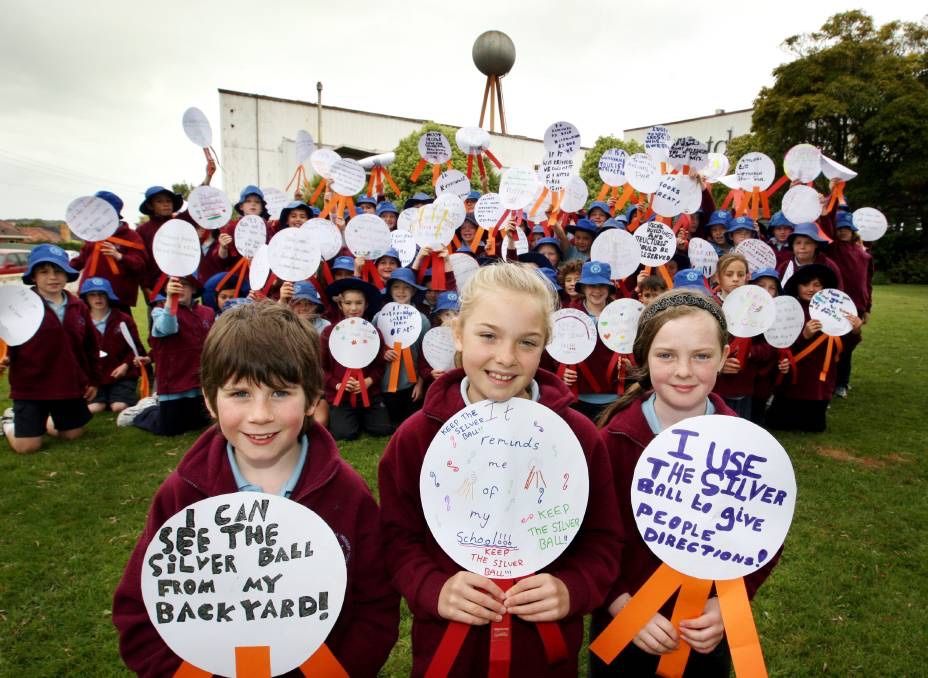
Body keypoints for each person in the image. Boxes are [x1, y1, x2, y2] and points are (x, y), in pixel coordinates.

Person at [112, 301, 400, 677]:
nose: (260, 414)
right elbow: (140, 611)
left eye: (280, 393)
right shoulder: (183, 495)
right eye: (240, 394)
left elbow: (374, 605)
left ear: (313, 398)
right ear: (210, 400)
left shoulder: (345, 492)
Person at [378, 263, 622, 676]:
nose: (506, 358)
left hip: (542, 654)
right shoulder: (416, 438)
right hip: (449, 653)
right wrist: (433, 588)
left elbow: (603, 540)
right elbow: (397, 539)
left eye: (527, 342)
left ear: (546, 344)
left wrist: (572, 588)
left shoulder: (578, 437)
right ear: (457, 332)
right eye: (488, 335)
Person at [591, 290, 780, 676]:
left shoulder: (748, 446)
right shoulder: (613, 442)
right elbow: (593, 535)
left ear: (724, 357)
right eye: (666, 355)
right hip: (627, 629)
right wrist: (618, 602)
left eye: (701, 356)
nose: (683, 371)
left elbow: (764, 534)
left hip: (703, 630)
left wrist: (729, 603)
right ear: (643, 357)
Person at [1, 245, 100, 453]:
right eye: (44, 272)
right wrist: (5, 358)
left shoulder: (78, 306)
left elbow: (90, 346)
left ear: (67, 275)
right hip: (31, 386)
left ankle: (44, 423)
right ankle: (9, 422)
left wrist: (92, 380)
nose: (52, 277)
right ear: (33, 277)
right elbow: (6, 339)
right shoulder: (18, 306)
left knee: (73, 435)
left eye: (58, 271)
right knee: (27, 447)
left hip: (67, 385)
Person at [766, 263, 862, 432]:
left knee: (814, 426)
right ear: (797, 287)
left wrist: (855, 331)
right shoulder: (788, 310)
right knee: (779, 423)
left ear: (825, 288)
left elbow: (845, 347)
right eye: (805, 284)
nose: (810, 289)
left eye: (816, 285)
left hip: (819, 377)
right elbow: (781, 344)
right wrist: (805, 336)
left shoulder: (836, 311)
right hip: (793, 376)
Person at [123, 276, 215, 435]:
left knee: (199, 424)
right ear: (166, 289)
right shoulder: (159, 311)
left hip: (199, 382)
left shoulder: (207, 312)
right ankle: (144, 410)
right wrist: (170, 302)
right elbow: (167, 328)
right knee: (170, 429)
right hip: (172, 382)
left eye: (184, 285)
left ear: (193, 289)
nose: (179, 289)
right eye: (174, 285)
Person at [321, 277, 393, 440]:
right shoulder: (328, 333)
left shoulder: (374, 333)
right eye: (348, 303)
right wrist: (338, 384)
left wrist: (368, 381)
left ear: (366, 304)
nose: (353, 308)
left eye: (358, 303)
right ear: (340, 305)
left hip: (369, 392)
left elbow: (380, 366)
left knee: (382, 429)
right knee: (345, 433)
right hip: (341, 394)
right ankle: (347, 418)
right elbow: (322, 368)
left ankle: (367, 416)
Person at [79, 277, 148, 415]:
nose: (98, 298)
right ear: (86, 297)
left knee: (118, 406)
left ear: (109, 296)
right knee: (95, 407)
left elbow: (137, 348)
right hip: (95, 379)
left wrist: (126, 365)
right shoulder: (81, 321)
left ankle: (120, 397)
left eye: (102, 294)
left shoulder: (123, 319)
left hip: (121, 375)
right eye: (92, 295)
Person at [71, 190, 148, 312]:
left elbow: (140, 265)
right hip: (89, 295)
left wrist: (120, 256)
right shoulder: (92, 235)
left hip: (117, 298)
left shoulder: (131, 236)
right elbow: (80, 260)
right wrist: (60, 269)